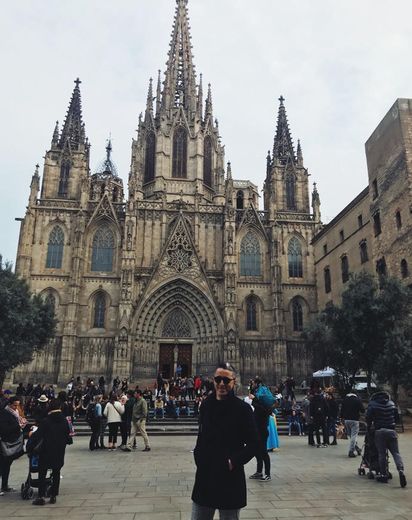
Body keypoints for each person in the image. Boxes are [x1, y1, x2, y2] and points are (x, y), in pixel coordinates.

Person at [191, 363, 258, 520]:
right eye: (218, 379)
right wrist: (198, 456)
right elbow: (202, 436)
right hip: (205, 478)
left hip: (230, 479)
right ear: (213, 380)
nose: (222, 383)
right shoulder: (206, 404)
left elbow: (255, 443)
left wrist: (233, 462)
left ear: (234, 382)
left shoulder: (242, 409)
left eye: (226, 380)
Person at [31, 398, 72, 505]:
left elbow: (38, 435)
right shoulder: (64, 420)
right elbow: (68, 436)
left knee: (42, 472)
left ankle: (41, 496)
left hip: (46, 450)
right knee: (56, 472)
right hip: (59, 450)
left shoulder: (46, 420)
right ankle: (53, 495)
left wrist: (31, 435)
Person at [366, 391, 407, 487]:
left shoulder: (372, 404)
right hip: (391, 431)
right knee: (396, 453)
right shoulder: (392, 404)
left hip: (379, 431)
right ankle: (400, 470)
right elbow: (397, 418)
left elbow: (368, 417)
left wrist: (369, 426)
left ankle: (383, 474)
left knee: (382, 453)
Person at [249, 378, 272, 481]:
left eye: (253, 383)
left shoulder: (264, 404)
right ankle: (259, 472)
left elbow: (263, 410)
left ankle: (267, 474)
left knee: (263, 452)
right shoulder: (258, 400)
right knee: (257, 452)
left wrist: (254, 399)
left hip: (262, 430)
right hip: (257, 429)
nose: (252, 385)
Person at [0, 397, 24, 495]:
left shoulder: (14, 413)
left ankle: (4, 486)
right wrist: (18, 425)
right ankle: (4, 486)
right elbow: (4, 429)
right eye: (15, 405)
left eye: (18, 405)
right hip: (6, 443)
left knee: (6, 465)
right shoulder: (5, 413)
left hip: (12, 442)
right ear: (9, 404)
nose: (16, 407)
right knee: (3, 465)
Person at [341, 391, 364, 457]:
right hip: (355, 420)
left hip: (346, 420)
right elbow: (362, 410)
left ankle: (357, 448)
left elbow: (342, 410)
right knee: (354, 436)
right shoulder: (357, 400)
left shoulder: (345, 400)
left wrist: (341, 417)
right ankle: (351, 451)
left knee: (351, 436)